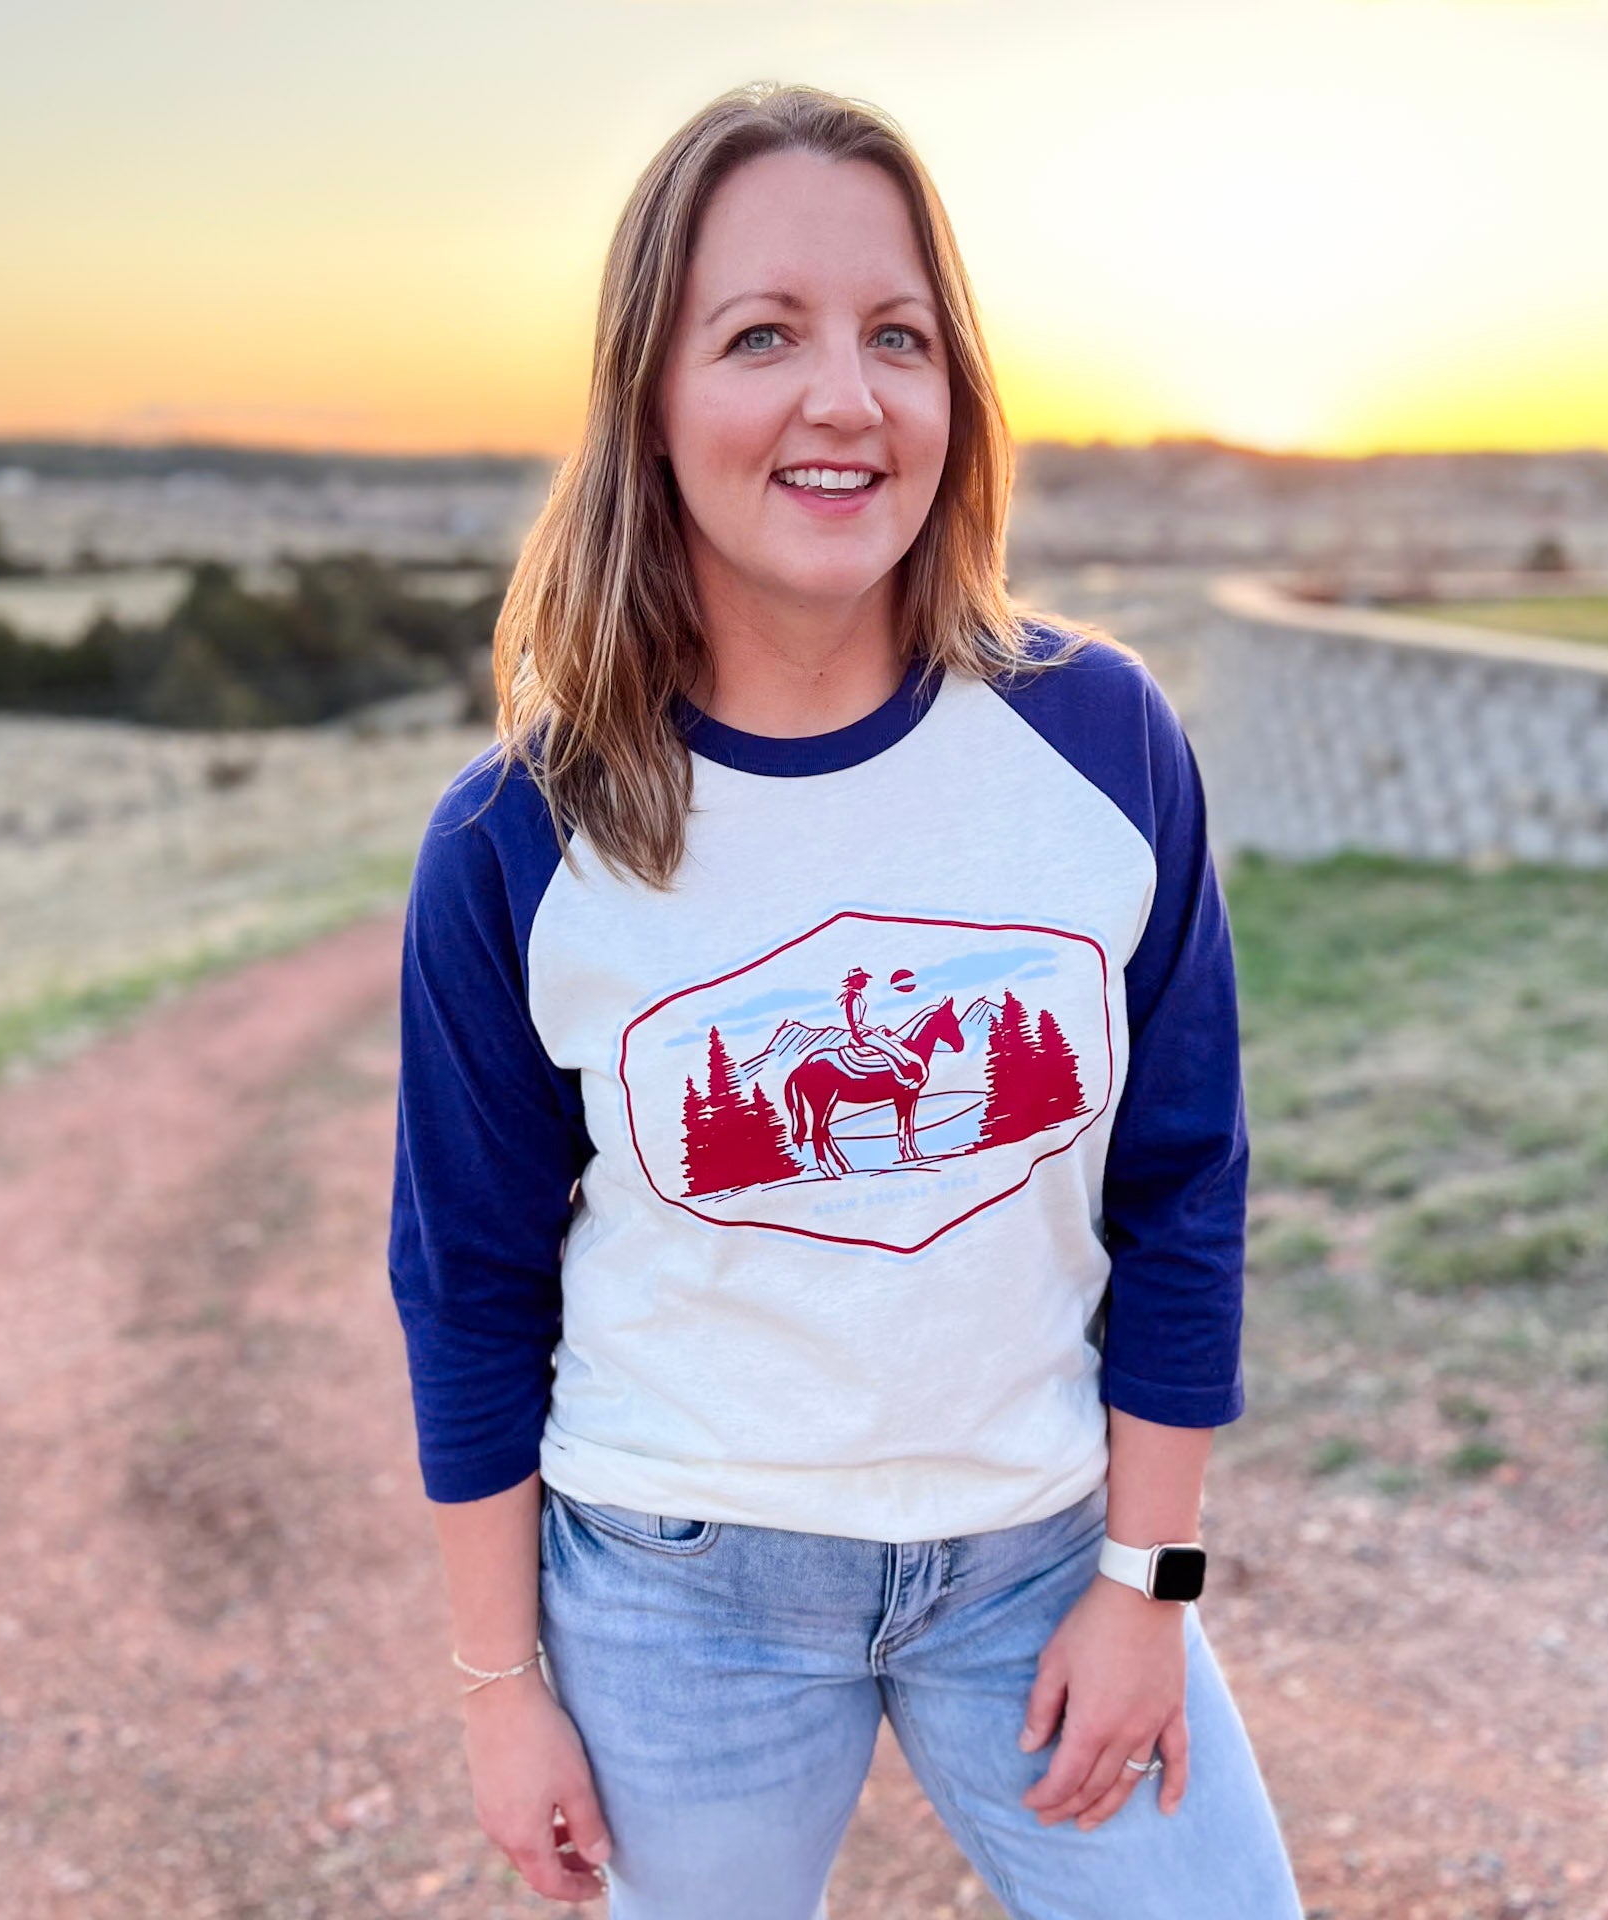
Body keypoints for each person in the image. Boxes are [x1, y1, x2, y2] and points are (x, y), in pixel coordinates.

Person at [386, 80, 1305, 1920]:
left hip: (1045, 1562)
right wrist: (503, 1697)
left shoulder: (1101, 741)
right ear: (649, 401)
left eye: (898, 335)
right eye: (760, 337)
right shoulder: (519, 838)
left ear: (957, 392)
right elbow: (467, 1287)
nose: (844, 397)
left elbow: (1184, 1185)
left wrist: (1151, 1579)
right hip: (677, 1594)